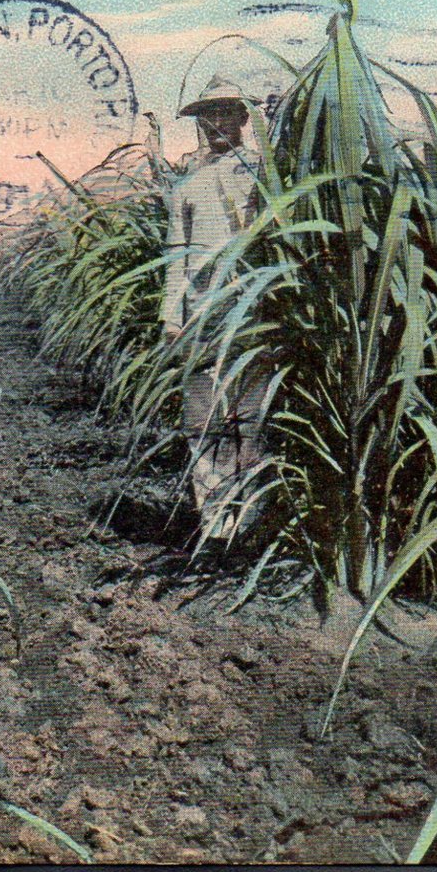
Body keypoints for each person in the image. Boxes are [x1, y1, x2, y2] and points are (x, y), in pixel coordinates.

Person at [161, 75, 270, 542]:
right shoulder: (187, 186)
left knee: (252, 420)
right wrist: (171, 317)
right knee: (203, 420)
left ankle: (252, 522)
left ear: (245, 118)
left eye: (227, 112)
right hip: (202, 317)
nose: (216, 122)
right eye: (208, 114)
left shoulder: (263, 173)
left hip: (255, 314)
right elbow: (176, 258)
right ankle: (215, 523)